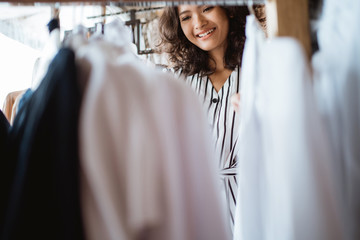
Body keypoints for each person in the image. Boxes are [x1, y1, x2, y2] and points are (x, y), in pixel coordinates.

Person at [159, 5, 250, 233]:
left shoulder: (259, 71)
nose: (198, 23)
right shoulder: (174, 82)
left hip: (252, 209)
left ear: (229, 8)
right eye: (186, 17)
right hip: (198, 217)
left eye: (207, 8)